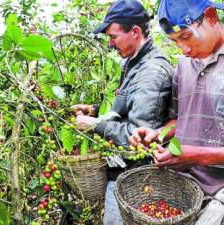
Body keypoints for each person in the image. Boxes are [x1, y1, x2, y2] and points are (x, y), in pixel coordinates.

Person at [129, 0, 224, 224]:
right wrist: (159, 134)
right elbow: (181, 119)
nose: (183, 49)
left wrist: (197, 156)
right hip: (180, 192)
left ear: (211, 16)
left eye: (186, 36)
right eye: (175, 42)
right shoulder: (184, 64)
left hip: (223, 198)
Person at [72, 0, 174, 224]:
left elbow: (138, 137)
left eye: (113, 37)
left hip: (135, 177)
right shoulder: (133, 62)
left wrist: (95, 124)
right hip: (122, 170)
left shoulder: (151, 72)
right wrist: (94, 110)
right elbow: (127, 106)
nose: (110, 44)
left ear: (135, 32)